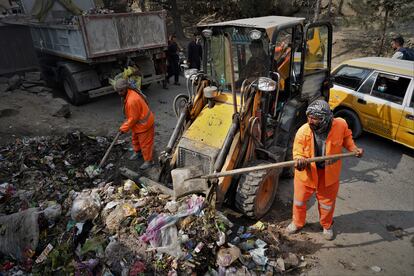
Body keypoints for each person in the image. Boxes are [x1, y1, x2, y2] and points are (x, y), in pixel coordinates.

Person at [286, 100, 363, 240]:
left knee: (327, 204)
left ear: (327, 118)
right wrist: (299, 160)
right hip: (307, 174)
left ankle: (327, 225)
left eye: (316, 119)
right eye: (309, 118)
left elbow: (347, 138)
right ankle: (297, 223)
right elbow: (297, 151)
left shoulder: (341, 125)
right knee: (299, 201)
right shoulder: (303, 131)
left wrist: (354, 149)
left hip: (329, 174)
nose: (311, 121)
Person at [114, 79, 155, 170]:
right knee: (135, 139)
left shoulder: (132, 100)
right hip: (138, 124)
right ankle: (138, 152)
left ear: (126, 88)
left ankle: (149, 161)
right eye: (118, 91)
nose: (119, 93)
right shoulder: (128, 94)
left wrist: (123, 129)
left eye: (121, 91)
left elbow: (133, 118)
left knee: (145, 144)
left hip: (145, 125)